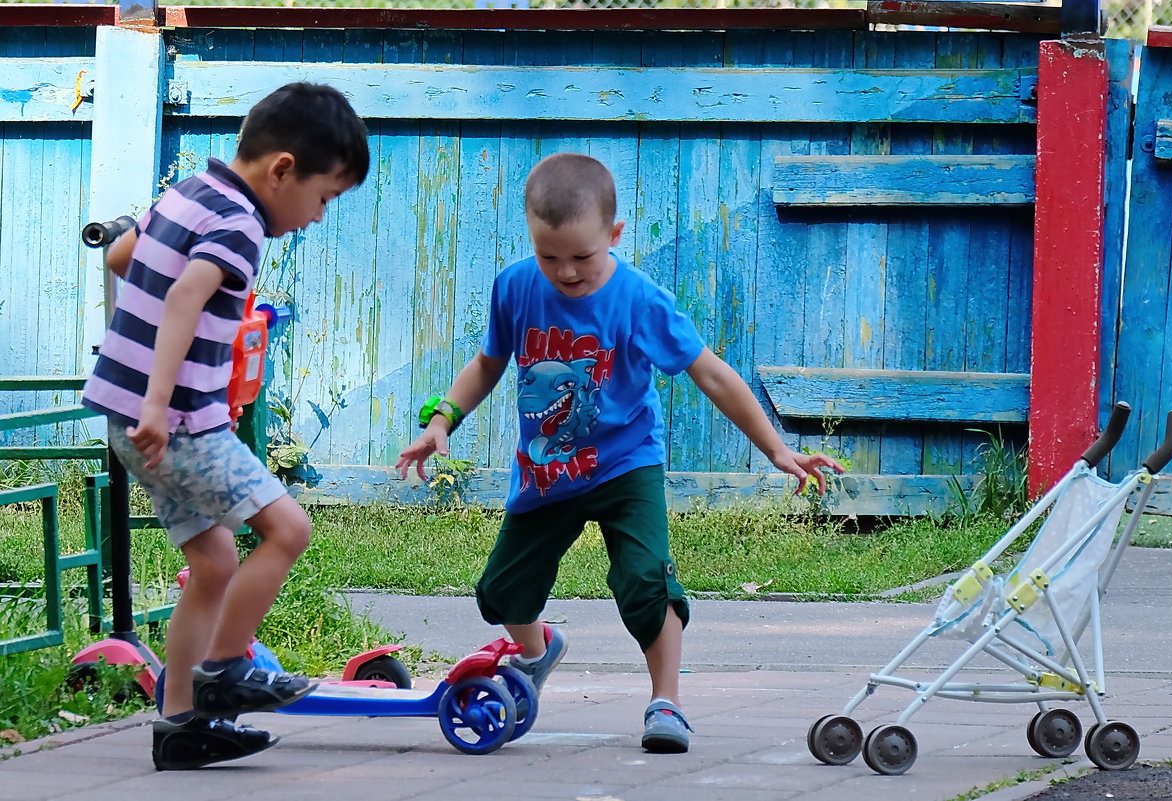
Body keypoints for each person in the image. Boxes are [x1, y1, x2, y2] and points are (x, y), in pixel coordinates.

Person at [396, 152, 844, 754]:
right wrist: (443, 417)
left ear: (614, 234)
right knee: (501, 591)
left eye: (582, 256)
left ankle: (667, 701)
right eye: (548, 256)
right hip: (546, 472)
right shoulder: (515, 287)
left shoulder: (639, 300)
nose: (566, 272)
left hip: (627, 464)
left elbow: (710, 374)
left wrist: (774, 448)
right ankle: (536, 652)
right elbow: (488, 363)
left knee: (644, 581)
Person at [82, 82, 371, 771]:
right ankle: (226, 667)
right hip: (174, 422)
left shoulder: (186, 193)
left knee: (214, 563)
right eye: (324, 197)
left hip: (130, 418)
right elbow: (185, 294)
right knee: (288, 528)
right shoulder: (240, 224)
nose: (318, 217)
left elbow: (125, 259)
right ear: (281, 169)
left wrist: (147, 397)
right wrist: (160, 401)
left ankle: (180, 721)